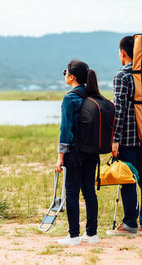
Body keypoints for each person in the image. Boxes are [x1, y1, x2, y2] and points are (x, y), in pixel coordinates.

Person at [107, 36, 142, 236]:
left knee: (128, 179)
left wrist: (114, 139)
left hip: (126, 138)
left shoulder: (122, 76)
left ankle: (129, 224)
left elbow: (119, 110)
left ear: (123, 53)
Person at [55, 60, 100, 245]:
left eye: (65, 72)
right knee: (89, 192)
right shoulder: (93, 95)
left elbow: (65, 130)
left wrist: (60, 157)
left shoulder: (70, 98)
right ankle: (91, 234)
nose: (64, 74)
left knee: (72, 192)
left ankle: (73, 235)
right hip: (92, 151)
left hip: (74, 152)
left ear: (72, 77)